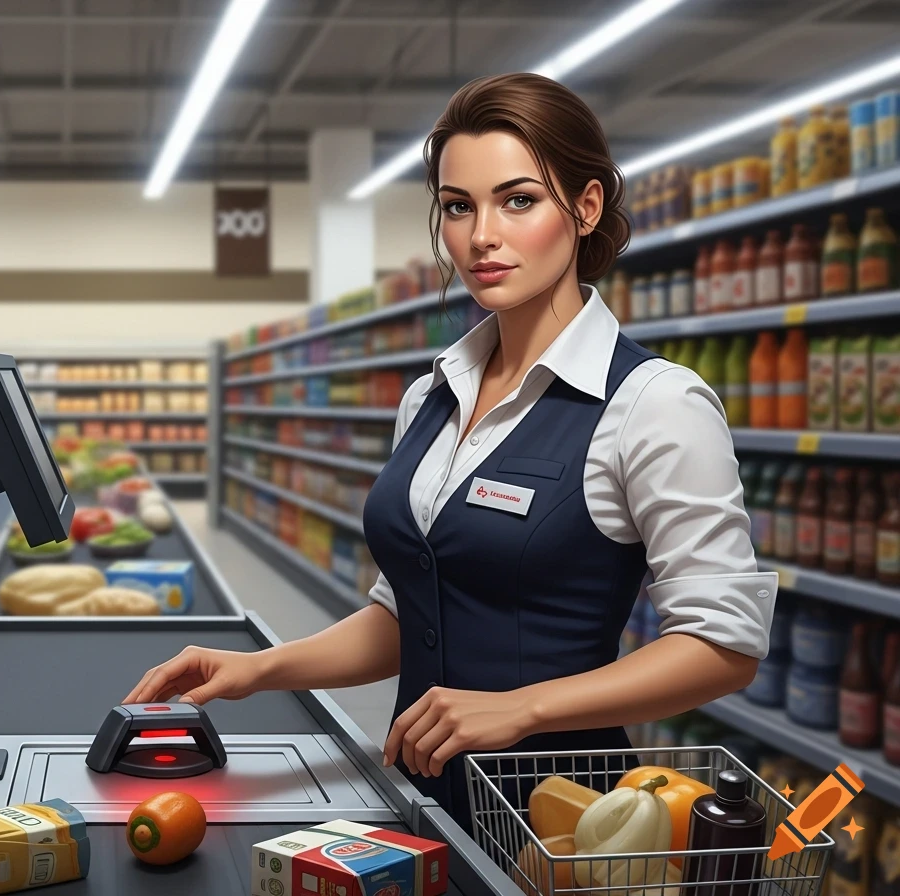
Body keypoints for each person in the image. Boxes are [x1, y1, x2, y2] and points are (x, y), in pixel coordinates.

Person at [125, 73, 775, 835]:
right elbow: (410, 612)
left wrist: (521, 708)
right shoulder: (432, 396)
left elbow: (723, 644)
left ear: (586, 207)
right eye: (459, 206)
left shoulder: (654, 404)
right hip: (415, 795)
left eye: (519, 200)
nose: (481, 236)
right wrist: (260, 669)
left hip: (560, 817)